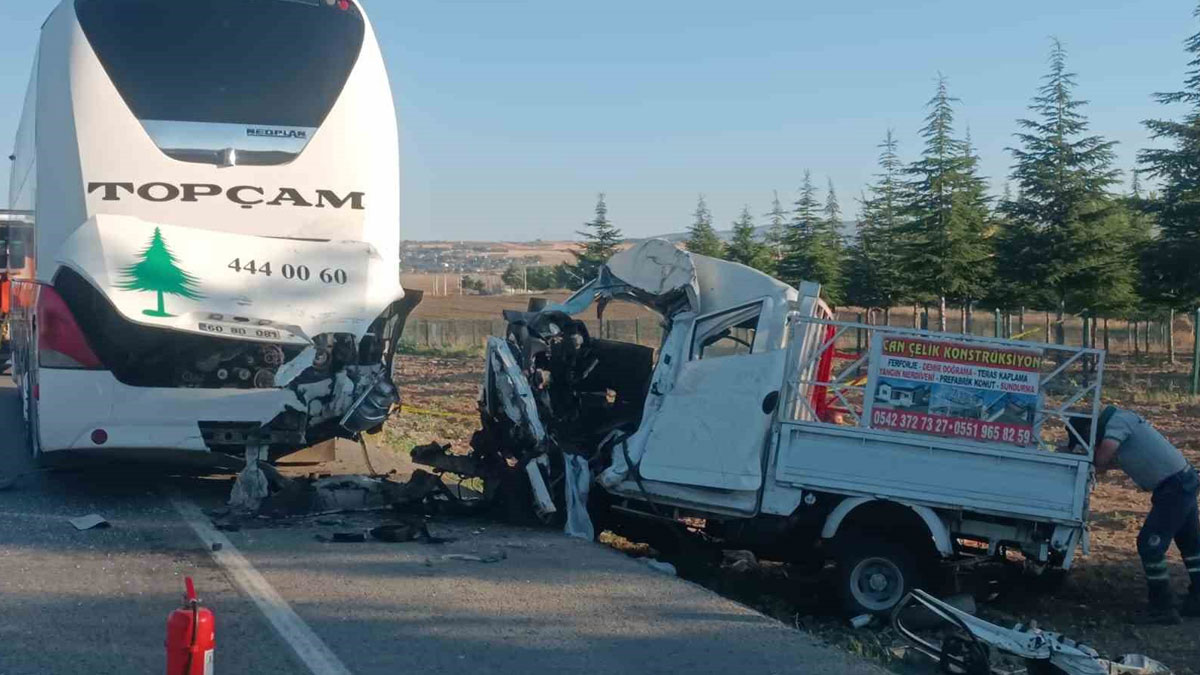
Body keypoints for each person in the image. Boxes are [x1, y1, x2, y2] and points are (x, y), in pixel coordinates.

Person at [1070, 405, 1200, 624]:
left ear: (1089, 429)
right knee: (1190, 544)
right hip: (1180, 481)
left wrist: (1084, 456)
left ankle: (1162, 607)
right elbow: (1108, 462)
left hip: (1174, 486)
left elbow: (1102, 459)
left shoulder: (1117, 423)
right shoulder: (1122, 422)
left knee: (1150, 545)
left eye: (1085, 439)